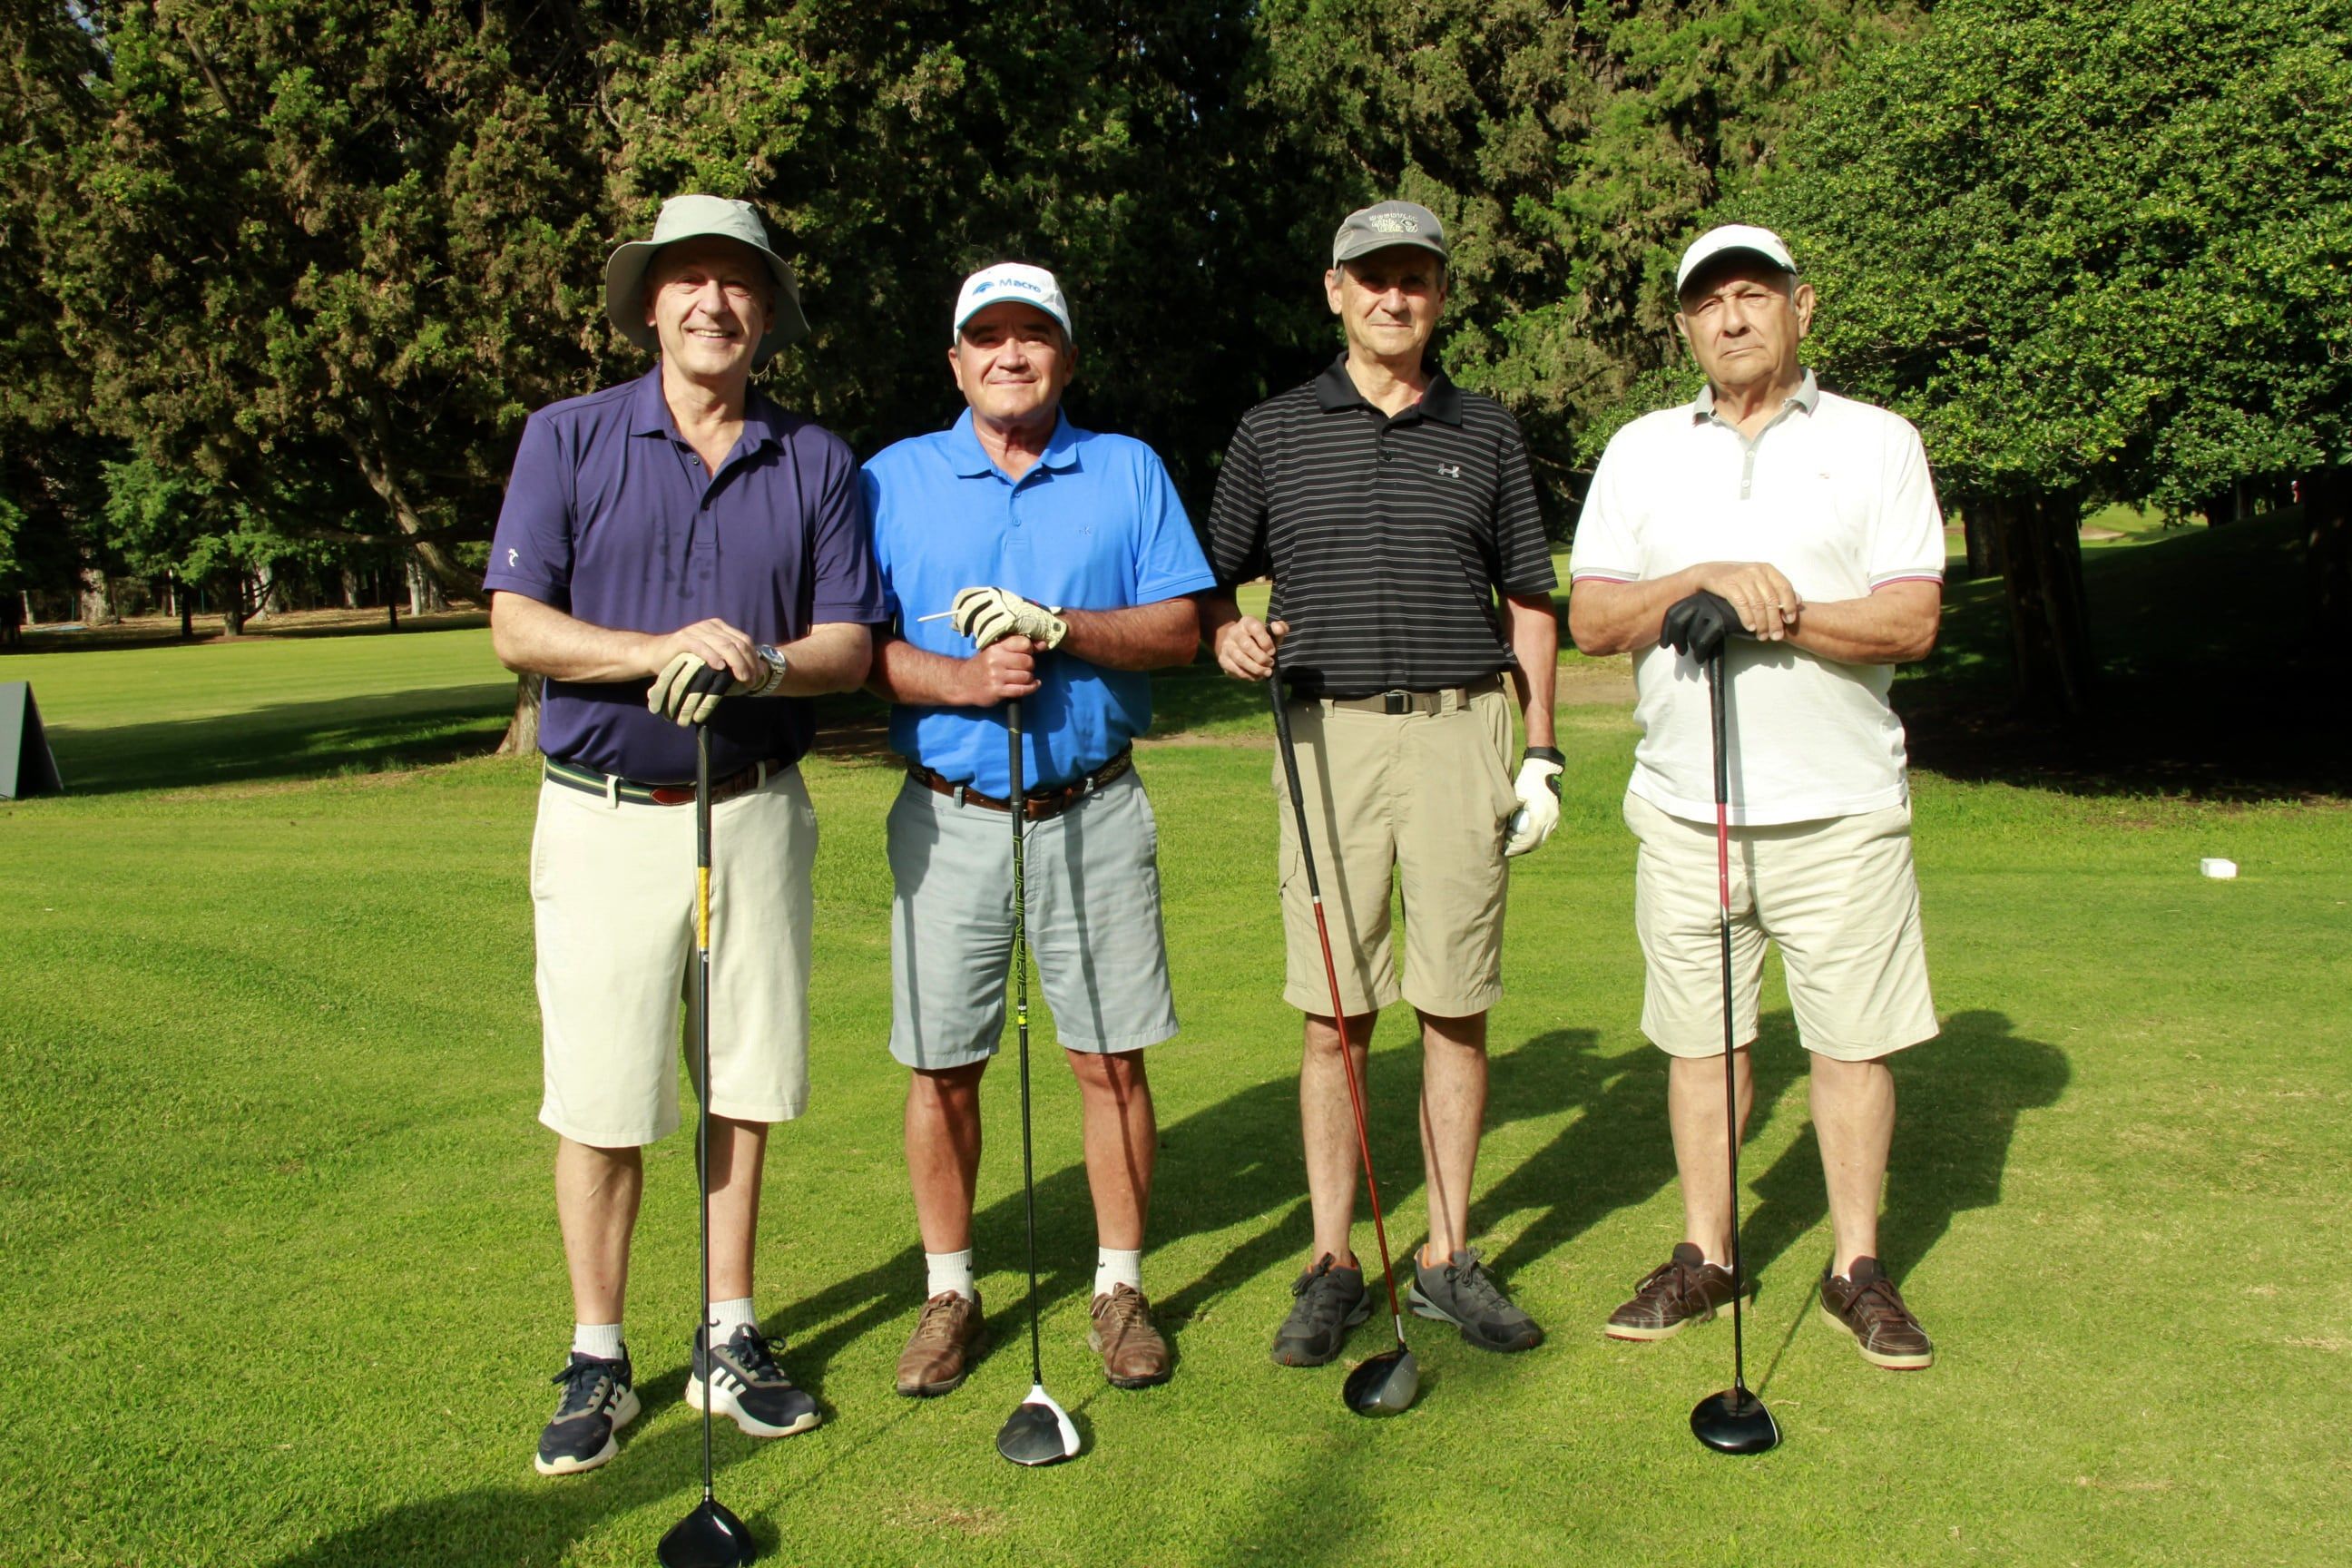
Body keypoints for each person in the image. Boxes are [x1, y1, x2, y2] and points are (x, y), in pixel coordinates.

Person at [485, 194, 885, 1475]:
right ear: (650, 305)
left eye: (738, 282)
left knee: (742, 1087)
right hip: (604, 817)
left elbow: (847, 645)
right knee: (603, 1098)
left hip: (753, 811)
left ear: (765, 313)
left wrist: (759, 664)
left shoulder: (815, 458)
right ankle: (598, 1355)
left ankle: (728, 1333)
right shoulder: (567, 437)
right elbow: (516, 626)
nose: (714, 302)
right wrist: (659, 649)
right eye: (689, 280)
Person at [1566, 223, 1943, 1369]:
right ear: (1686, 325)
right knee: (1701, 1043)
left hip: (1840, 809)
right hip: (1688, 809)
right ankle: (1708, 1253)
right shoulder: (1640, 450)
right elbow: (1593, 619)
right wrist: (1699, 579)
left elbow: (1912, 619)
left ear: (1801, 307)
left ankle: (1857, 1266)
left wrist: (1776, 612)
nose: (1731, 318)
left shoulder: (1878, 442)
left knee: (1852, 1045)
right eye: (1708, 302)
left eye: (1754, 295)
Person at [1202, 201, 1563, 1364]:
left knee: (1455, 1002)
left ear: (1441, 294)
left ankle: (1447, 1255)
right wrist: (1224, 631)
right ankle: (1333, 1261)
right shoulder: (1274, 429)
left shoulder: (1487, 429)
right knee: (1335, 1012)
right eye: (1373, 277)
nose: (1394, 296)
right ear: (1336, 291)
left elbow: (1530, 600)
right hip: (1328, 738)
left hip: (1464, 730)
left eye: (1415, 277)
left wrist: (1542, 749)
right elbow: (1207, 578)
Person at [861, 262, 1215, 1397]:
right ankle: (949, 1291)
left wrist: (1058, 626)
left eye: (1033, 335)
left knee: (1109, 1058)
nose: (1010, 354)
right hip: (949, 815)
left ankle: (1120, 1286)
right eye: (988, 336)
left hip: (1092, 808)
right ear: (955, 360)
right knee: (942, 1065)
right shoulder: (890, 480)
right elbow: (853, 647)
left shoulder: (1127, 468)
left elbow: (1180, 630)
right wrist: (959, 681)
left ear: (1066, 356)